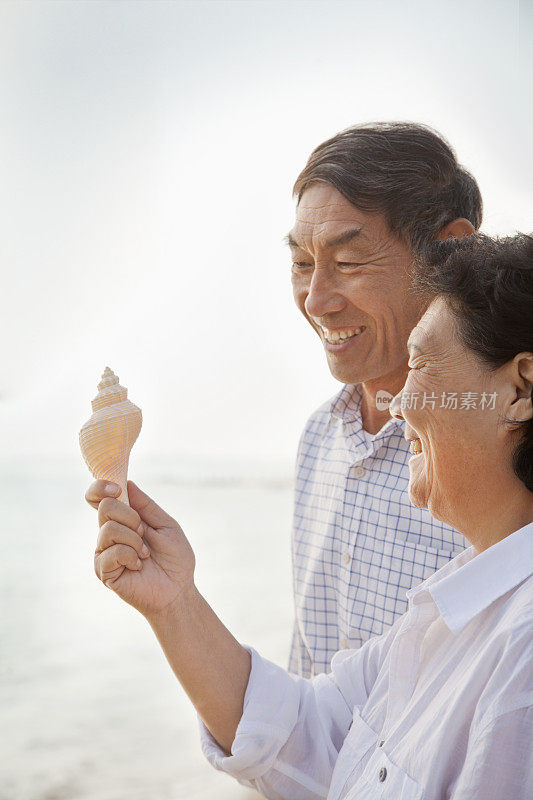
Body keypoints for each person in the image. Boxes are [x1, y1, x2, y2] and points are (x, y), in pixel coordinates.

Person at [87, 232, 533, 799]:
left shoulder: (521, 655)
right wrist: (174, 602)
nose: (398, 402)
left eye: (420, 362)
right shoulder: (455, 603)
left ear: (520, 388)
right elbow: (315, 732)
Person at [285, 122, 482, 676]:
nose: (316, 300)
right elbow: (307, 681)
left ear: (450, 252)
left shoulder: (501, 452)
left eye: (348, 263)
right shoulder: (319, 437)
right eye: (302, 263)